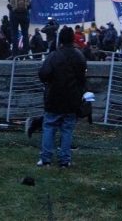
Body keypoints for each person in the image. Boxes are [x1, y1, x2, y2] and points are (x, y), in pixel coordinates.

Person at [36, 26, 87, 168]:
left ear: (60, 40)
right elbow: (82, 78)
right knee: (67, 129)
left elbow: (43, 74)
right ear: (72, 39)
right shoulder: (79, 56)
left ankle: (46, 158)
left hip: (54, 97)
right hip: (72, 99)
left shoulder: (53, 56)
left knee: (49, 127)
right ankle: (65, 160)